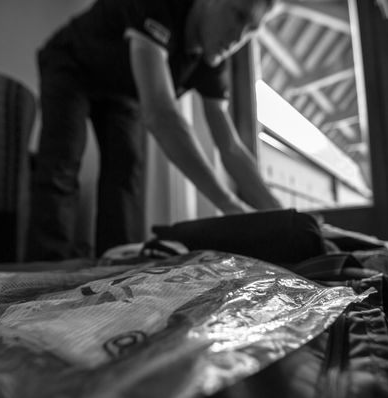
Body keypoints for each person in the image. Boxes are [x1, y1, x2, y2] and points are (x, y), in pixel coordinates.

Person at [26, 0, 281, 262]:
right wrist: (228, 203)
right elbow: (161, 114)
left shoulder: (213, 60)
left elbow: (231, 148)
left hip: (122, 90)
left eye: (251, 29)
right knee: (63, 158)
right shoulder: (160, 6)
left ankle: (116, 268)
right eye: (238, 16)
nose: (238, 37)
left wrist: (283, 217)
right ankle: (47, 265)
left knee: (126, 172)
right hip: (71, 63)